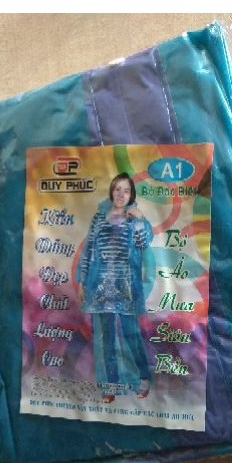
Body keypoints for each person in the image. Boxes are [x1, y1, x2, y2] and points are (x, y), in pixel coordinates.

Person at [76, 173, 153, 403]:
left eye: (126, 190)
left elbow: (143, 243)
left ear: (131, 195)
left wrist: (140, 219)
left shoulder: (134, 219)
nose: (121, 194)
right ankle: (110, 385)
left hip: (127, 289)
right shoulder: (99, 217)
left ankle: (143, 378)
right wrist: (82, 282)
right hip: (99, 289)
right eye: (117, 189)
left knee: (131, 335)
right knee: (105, 339)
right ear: (111, 191)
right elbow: (89, 251)